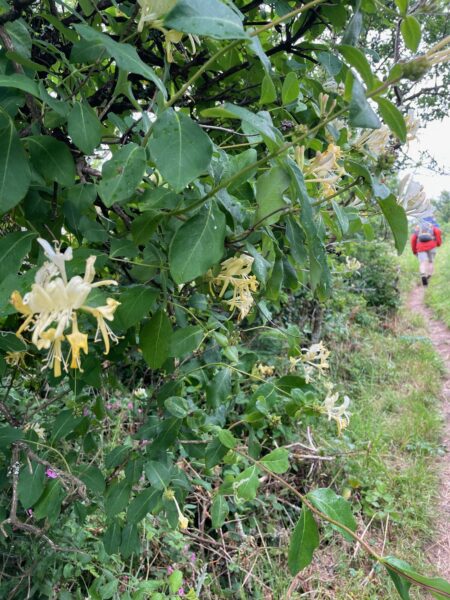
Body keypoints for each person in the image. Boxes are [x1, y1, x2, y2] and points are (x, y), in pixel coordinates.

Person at [411, 220, 442, 286]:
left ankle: (423, 275)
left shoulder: (418, 228)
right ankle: (429, 276)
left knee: (422, 263)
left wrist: (414, 251)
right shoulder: (431, 226)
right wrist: (438, 243)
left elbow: (413, 239)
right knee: (431, 262)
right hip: (431, 246)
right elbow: (438, 232)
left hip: (420, 247)